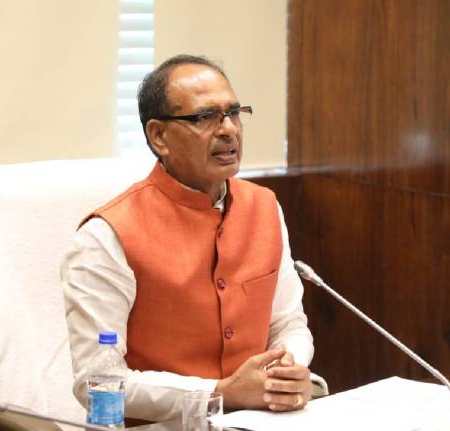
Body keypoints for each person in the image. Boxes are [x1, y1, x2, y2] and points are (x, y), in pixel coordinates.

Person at [61, 54, 314, 422]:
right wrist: (220, 392)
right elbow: (97, 381)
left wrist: (286, 372)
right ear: (158, 136)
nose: (228, 129)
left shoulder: (265, 208)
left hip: (258, 421)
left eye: (234, 113)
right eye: (205, 117)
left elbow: (288, 323)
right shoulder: (106, 236)